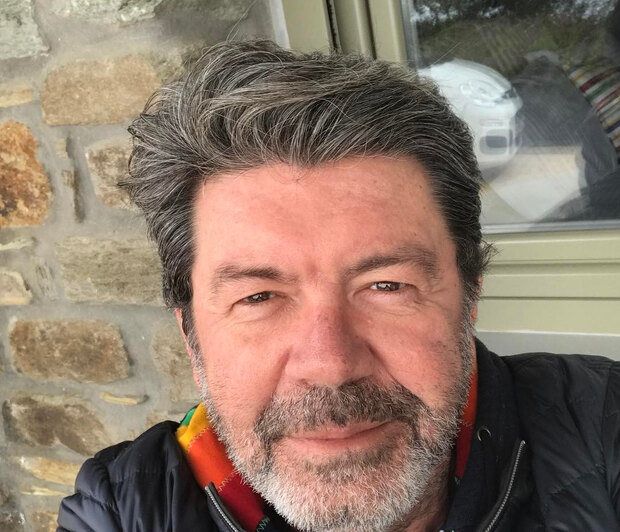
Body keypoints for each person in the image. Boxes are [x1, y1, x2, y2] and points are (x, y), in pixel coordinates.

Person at [57, 40, 620, 532]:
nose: (330, 365)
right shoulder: (120, 511)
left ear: (468, 296)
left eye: (386, 286)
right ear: (191, 336)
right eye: (258, 297)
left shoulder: (604, 426)